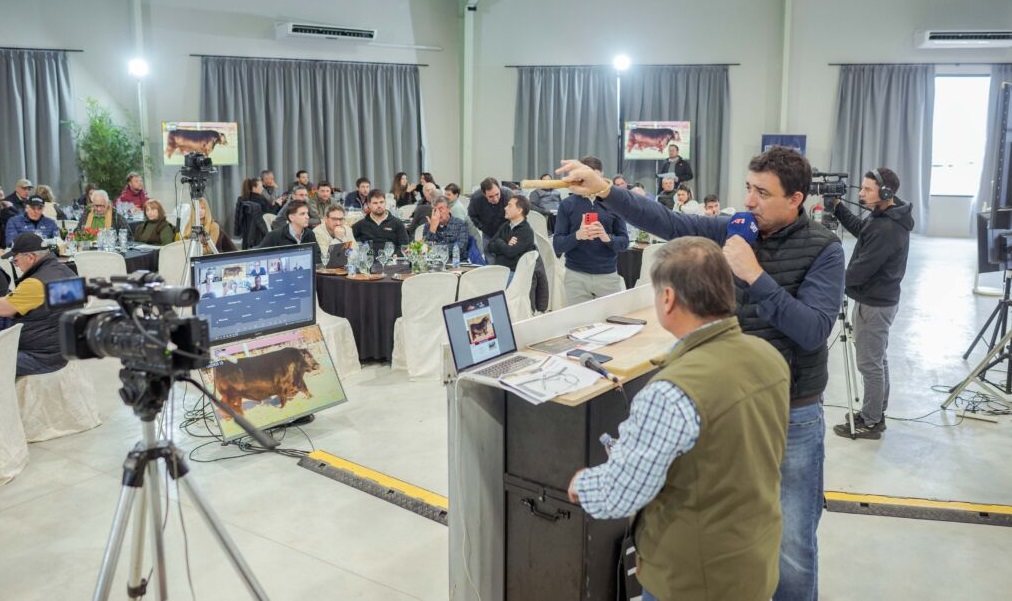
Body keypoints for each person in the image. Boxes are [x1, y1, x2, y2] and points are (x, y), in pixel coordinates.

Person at [559, 146, 844, 601]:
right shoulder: (738, 227)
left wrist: (755, 276)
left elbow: (813, 331)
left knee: (792, 545)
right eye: (748, 188)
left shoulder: (824, 249)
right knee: (727, 517)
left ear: (796, 199)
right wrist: (606, 190)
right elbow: (670, 224)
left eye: (762, 193)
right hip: (727, 400)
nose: (748, 201)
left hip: (790, 408)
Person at [567, 237, 790, 601]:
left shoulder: (670, 392)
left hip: (693, 580)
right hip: (753, 563)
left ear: (667, 298)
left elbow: (619, 495)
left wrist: (582, 484)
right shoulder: (768, 357)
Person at [829, 168, 913, 440]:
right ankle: (875, 412)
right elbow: (862, 230)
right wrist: (838, 208)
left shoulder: (887, 227)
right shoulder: (886, 215)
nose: (861, 193)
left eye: (867, 189)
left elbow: (861, 270)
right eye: (862, 188)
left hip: (874, 304)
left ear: (885, 192)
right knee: (877, 360)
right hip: (880, 300)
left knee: (869, 364)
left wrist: (829, 282)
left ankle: (871, 421)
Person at [553, 155, 629, 305]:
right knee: (577, 319)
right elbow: (558, 245)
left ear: (602, 176)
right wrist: (578, 235)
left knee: (611, 318)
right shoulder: (567, 205)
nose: (591, 183)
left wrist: (607, 238)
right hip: (576, 275)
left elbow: (624, 243)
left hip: (607, 275)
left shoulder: (614, 203)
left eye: (595, 178)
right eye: (587, 178)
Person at [0, 233, 79, 375]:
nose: (16, 265)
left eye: (16, 261)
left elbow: (4, 309)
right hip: (66, 350)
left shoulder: (36, 283)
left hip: (40, 357)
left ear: (30, 257)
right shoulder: (67, 272)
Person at [257, 200, 320, 264]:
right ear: (291, 217)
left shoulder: (310, 234)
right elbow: (257, 255)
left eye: (307, 213)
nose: (307, 217)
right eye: (302, 214)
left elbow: (317, 257)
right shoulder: (274, 236)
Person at [487, 195, 536, 273]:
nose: (505, 208)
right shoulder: (505, 226)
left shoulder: (525, 231)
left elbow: (510, 252)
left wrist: (499, 241)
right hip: (499, 270)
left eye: (509, 206)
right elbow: (490, 246)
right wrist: (505, 243)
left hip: (514, 273)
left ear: (519, 210)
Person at [468, 177, 511, 253]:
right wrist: (482, 227)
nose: (495, 199)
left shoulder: (509, 195)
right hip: (488, 234)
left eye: (497, 194)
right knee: (489, 256)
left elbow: (518, 215)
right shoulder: (476, 198)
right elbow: (472, 215)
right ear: (484, 194)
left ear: (499, 188)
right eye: (490, 196)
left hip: (507, 234)